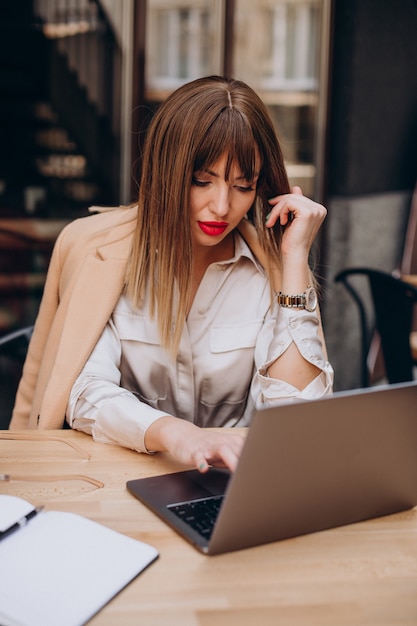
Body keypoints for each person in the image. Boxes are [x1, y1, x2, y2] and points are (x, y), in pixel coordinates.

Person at [10, 75, 333, 472]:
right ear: (167, 170)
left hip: (236, 488)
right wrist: (175, 434)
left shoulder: (271, 270)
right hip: (115, 481)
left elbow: (297, 416)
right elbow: (82, 392)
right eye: (202, 181)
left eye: (242, 185)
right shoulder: (97, 253)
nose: (221, 206)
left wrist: (294, 258)